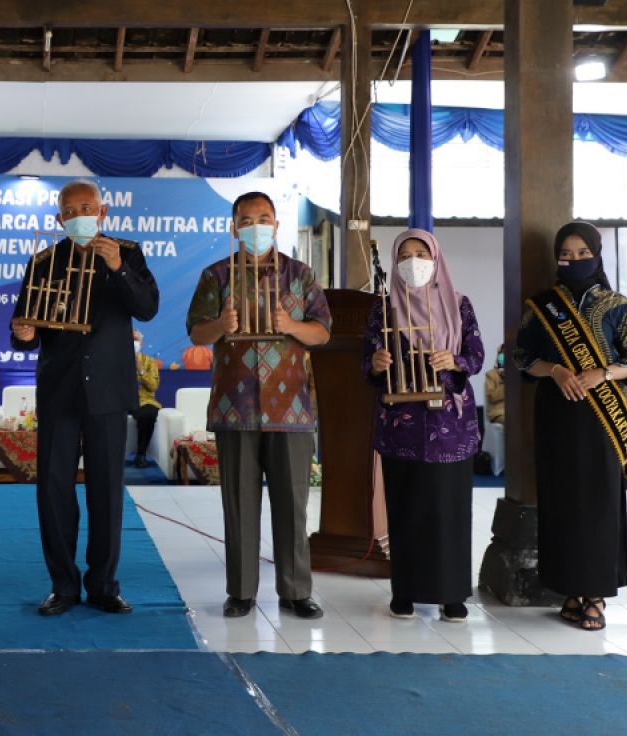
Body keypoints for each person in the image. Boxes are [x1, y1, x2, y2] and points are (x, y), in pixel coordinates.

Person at [11, 179, 159, 616]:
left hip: (110, 390)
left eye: (87, 207)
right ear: (59, 219)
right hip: (59, 388)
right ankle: (63, 585)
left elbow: (148, 307)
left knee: (107, 490)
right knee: (54, 490)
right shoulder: (43, 261)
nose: (79, 215)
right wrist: (22, 334)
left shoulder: (127, 252)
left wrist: (118, 268)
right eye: (70, 210)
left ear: (103, 211)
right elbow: (24, 326)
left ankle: (104, 584)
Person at [186, 191, 330, 620]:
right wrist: (221, 325)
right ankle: (242, 592)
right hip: (236, 408)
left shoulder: (300, 276)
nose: (255, 226)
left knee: (293, 505)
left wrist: (292, 326)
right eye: (246, 220)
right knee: (240, 503)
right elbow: (196, 334)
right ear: (233, 228)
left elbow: (322, 333)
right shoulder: (216, 276)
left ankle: (295, 591)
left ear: (277, 224)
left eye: (263, 218)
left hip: (292, 410)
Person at [515, 221, 627, 632]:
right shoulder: (541, 305)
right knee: (562, 503)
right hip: (556, 416)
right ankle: (570, 590)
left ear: (596, 254)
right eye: (566, 254)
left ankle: (596, 595)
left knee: (599, 502)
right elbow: (520, 357)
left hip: (601, 421)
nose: (573, 260)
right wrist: (554, 370)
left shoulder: (616, 304)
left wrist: (602, 374)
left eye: (581, 253)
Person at [363, 230, 484, 622]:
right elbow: (368, 363)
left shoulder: (458, 305)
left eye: (421, 253)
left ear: (436, 258)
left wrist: (453, 363)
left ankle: (452, 595)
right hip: (402, 427)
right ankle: (406, 592)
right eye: (405, 254)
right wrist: (377, 365)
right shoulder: (384, 309)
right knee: (406, 510)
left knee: (450, 512)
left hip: (450, 429)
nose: (413, 262)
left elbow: (476, 356)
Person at [129, 329, 161, 468]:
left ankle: (141, 454)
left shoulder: (149, 361)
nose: (134, 342)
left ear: (141, 343)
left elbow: (153, 386)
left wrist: (141, 370)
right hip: (121, 400)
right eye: (131, 339)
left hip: (143, 400)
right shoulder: (116, 360)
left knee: (149, 413)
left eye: (136, 339)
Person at [484, 343, 506, 425]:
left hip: (515, 411)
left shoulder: (516, 375)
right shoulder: (491, 374)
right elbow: (491, 397)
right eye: (502, 353)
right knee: (512, 421)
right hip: (498, 413)